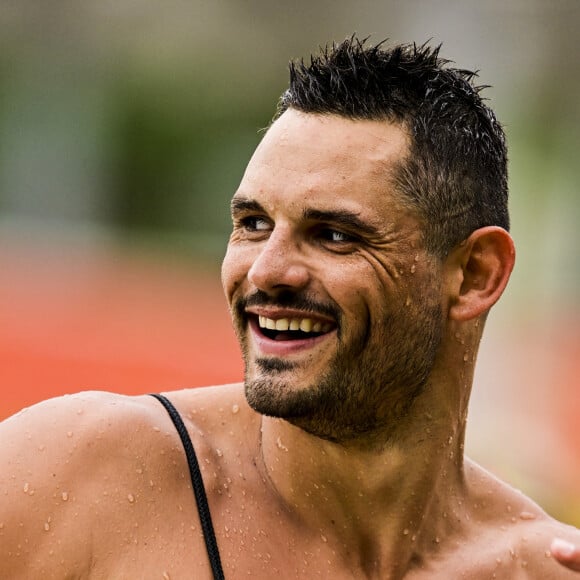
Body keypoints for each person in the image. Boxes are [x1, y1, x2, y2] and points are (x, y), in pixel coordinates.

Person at [1, 37, 579, 579]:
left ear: (476, 274)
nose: (267, 271)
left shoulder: (542, 566)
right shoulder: (77, 474)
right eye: (253, 224)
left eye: (333, 235)